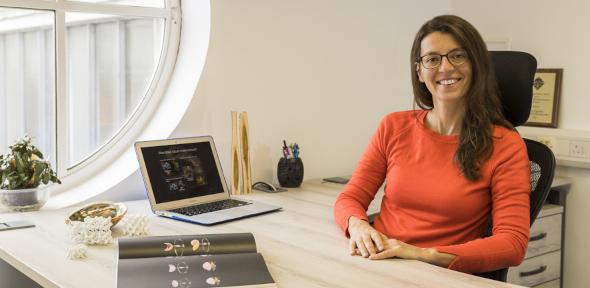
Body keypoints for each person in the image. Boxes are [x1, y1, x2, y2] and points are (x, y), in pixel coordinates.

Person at [333, 15, 530, 274]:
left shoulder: (505, 144)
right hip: (378, 264)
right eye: (432, 59)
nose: (445, 67)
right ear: (419, 70)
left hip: (438, 274)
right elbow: (349, 198)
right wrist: (358, 226)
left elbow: (512, 244)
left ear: (477, 64)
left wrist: (420, 254)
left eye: (458, 56)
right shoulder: (393, 126)